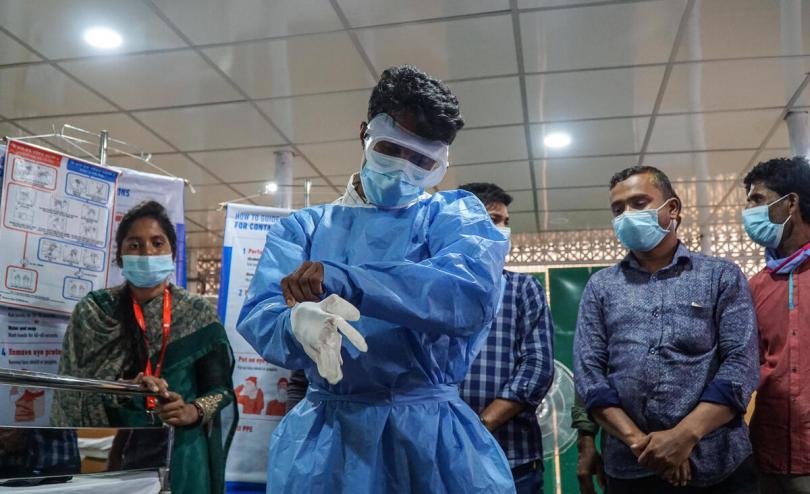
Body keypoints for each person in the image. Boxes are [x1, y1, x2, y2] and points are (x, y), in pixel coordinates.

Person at [236, 65, 513, 493]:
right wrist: (295, 325)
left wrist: (348, 280)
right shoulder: (304, 229)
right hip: (328, 445)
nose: (404, 170)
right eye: (392, 149)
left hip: (434, 446)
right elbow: (261, 313)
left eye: (423, 161)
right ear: (364, 133)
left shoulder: (455, 218)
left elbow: (467, 296)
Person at [573, 165, 759, 493]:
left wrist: (683, 437)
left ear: (672, 209)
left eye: (639, 203)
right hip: (631, 467)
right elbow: (590, 376)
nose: (627, 214)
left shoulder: (721, 277)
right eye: (618, 209)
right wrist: (644, 447)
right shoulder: (601, 287)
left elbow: (740, 367)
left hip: (718, 464)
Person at [52, 200, 237, 494]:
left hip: (183, 452)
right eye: (135, 245)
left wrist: (193, 411)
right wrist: (122, 391)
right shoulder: (94, 312)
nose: (147, 253)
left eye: (157, 243)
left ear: (172, 253)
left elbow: (222, 390)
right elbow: (71, 395)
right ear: (120, 256)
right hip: (112, 450)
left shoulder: (197, 312)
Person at [457, 182, 555, 494]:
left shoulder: (522, 289)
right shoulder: (435, 291)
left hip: (513, 458)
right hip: (444, 455)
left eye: (506, 222)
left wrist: (480, 426)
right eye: (494, 219)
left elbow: (537, 367)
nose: (503, 230)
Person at [743, 157, 810, 494]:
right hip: (769, 460)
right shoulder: (756, 287)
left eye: (757, 200)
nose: (748, 211)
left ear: (791, 203)